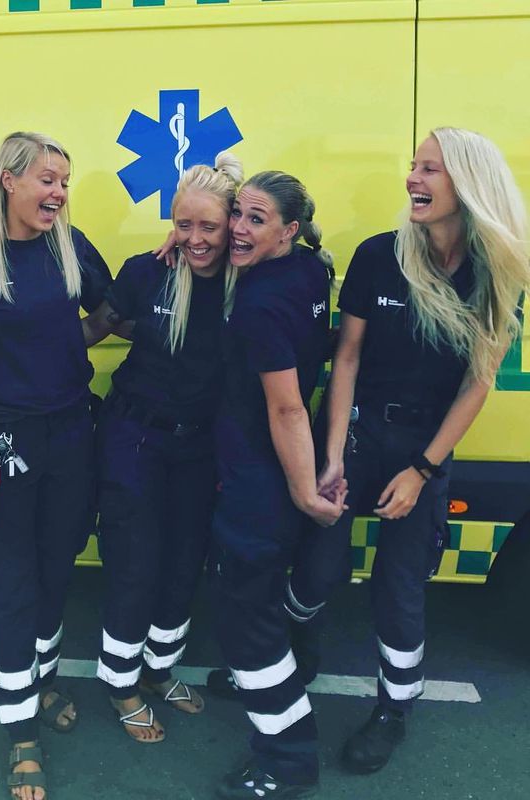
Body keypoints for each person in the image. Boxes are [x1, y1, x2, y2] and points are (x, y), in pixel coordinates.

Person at [286, 127, 530, 775]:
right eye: (412, 166)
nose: (412, 180)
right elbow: (347, 357)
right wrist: (332, 456)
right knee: (317, 567)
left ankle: (393, 709)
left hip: (423, 446)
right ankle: (297, 645)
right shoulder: (378, 255)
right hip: (356, 434)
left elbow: (479, 381)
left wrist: (422, 471)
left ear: (468, 184)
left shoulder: (498, 269)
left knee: (398, 588)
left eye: (430, 169)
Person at [0, 132, 111, 800]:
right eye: (46, 179)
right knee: (12, 581)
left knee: (57, 567)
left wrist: (168, 262)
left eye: (65, 182)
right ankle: (21, 733)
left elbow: (106, 314)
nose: (58, 193)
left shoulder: (71, 247)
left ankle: (43, 678)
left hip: (70, 435)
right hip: (3, 442)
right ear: (8, 180)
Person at [82, 152, 243, 743]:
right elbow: (99, 327)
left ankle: (157, 671)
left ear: (234, 225)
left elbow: (305, 249)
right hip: (135, 437)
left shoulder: (246, 280)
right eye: (183, 224)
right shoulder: (145, 271)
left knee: (183, 565)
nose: (194, 239)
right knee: (135, 563)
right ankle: (120, 682)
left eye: (209, 226)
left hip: (200, 448)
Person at [211, 172, 347, 799]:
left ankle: (287, 761)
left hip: (260, 473)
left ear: (289, 230)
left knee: (248, 619)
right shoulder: (310, 269)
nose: (238, 227)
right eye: (237, 213)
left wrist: (301, 493)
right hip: (284, 463)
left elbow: (287, 407)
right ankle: (284, 667)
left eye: (256, 219)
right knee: (270, 599)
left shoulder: (263, 301)